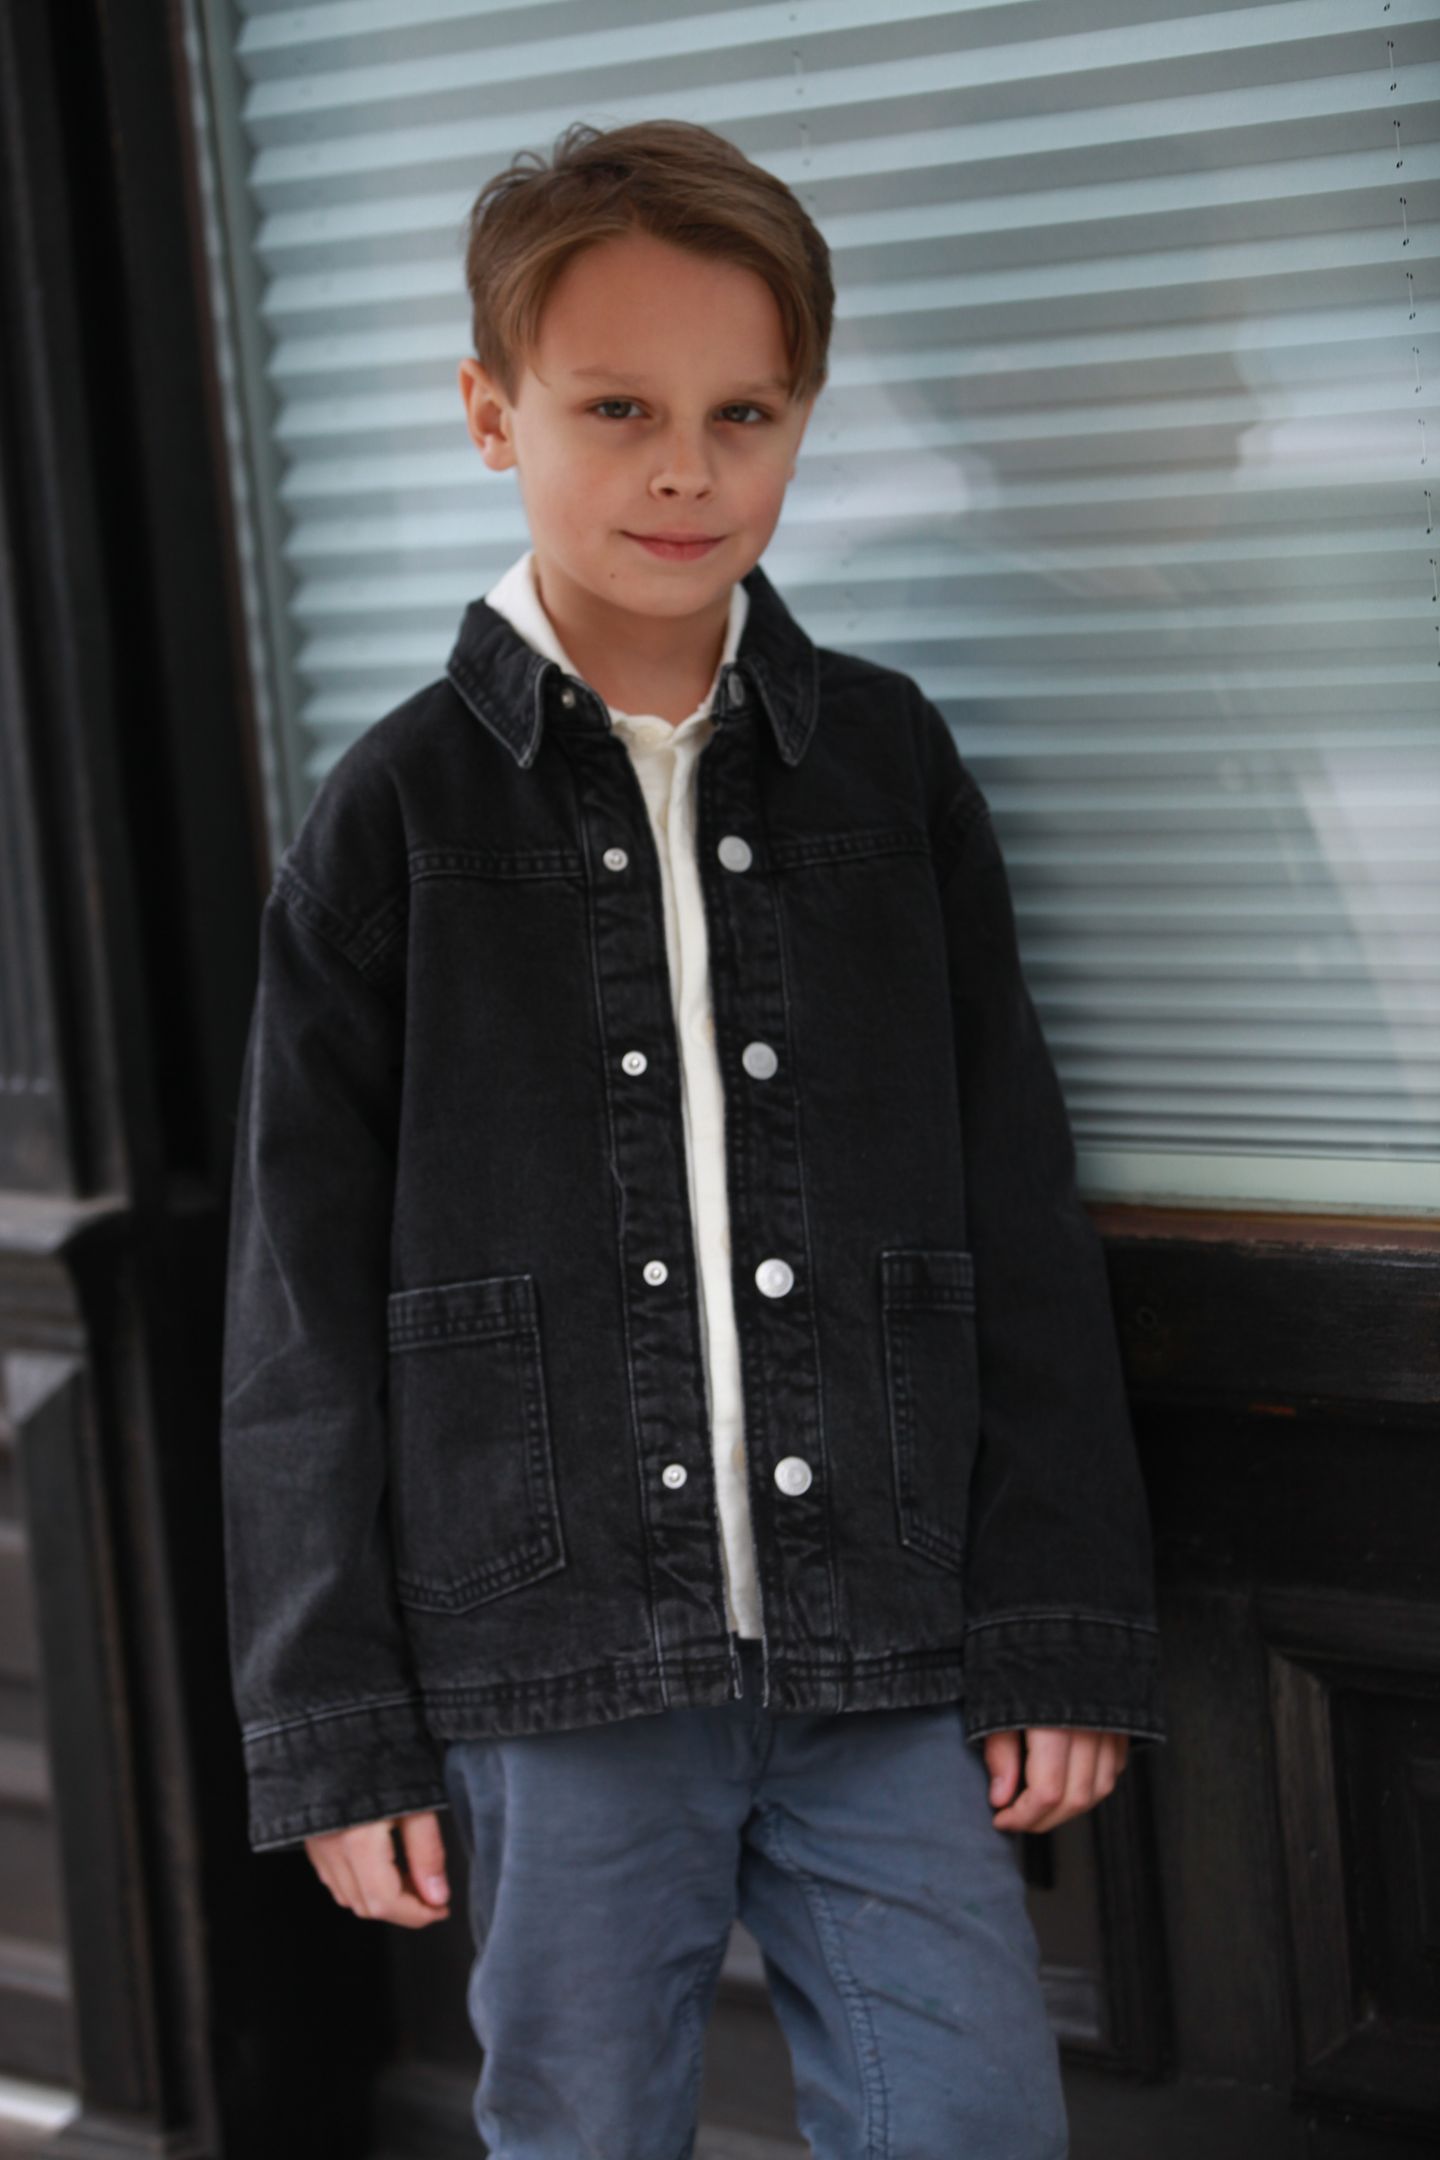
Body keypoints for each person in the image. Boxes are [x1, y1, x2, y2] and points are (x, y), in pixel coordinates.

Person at [219, 117, 1168, 2158]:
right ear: (492, 415)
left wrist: (1059, 1623)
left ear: (804, 415)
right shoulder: (394, 821)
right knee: (584, 2130)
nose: (687, 469)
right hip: (555, 1669)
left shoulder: (888, 772)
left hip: (882, 1644)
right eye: (618, 409)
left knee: (970, 2119)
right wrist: (334, 1725)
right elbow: (297, 1318)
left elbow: (1017, 1212)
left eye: (745, 412)